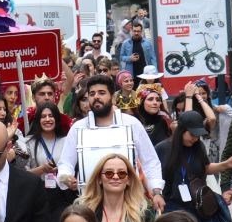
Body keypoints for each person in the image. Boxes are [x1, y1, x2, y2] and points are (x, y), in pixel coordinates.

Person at [57, 76, 166, 210]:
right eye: (92, 94)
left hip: (130, 204)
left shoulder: (132, 124)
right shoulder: (77, 128)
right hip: (91, 205)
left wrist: (156, 192)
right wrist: (66, 177)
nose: (96, 97)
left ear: (113, 98)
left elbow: (150, 162)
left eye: (101, 93)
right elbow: (65, 163)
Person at [155, 110, 232, 222]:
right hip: (172, 206)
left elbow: (205, 168)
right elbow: (151, 174)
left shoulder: (198, 146)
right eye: (192, 134)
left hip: (196, 206)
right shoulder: (162, 148)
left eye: (197, 135)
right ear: (182, 130)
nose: (194, 138)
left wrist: (226, 164)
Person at [80, 152, 155, 222]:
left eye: (122, 173)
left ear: (128, 180)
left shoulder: (144, 211)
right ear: (100, 179)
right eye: (109, 173)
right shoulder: (85, 210)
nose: (115, 177)